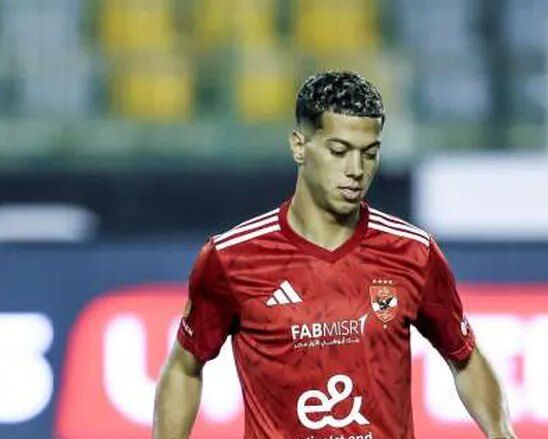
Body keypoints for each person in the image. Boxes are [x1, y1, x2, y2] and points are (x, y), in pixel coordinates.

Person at [153, 70, 517, 439]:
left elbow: (464, 357)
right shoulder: (231, 258)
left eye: (369, 154)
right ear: (299, 146)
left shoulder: (413, 252)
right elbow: (185, 367)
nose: (356, 170)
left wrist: (502, 433)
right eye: (339, 151)